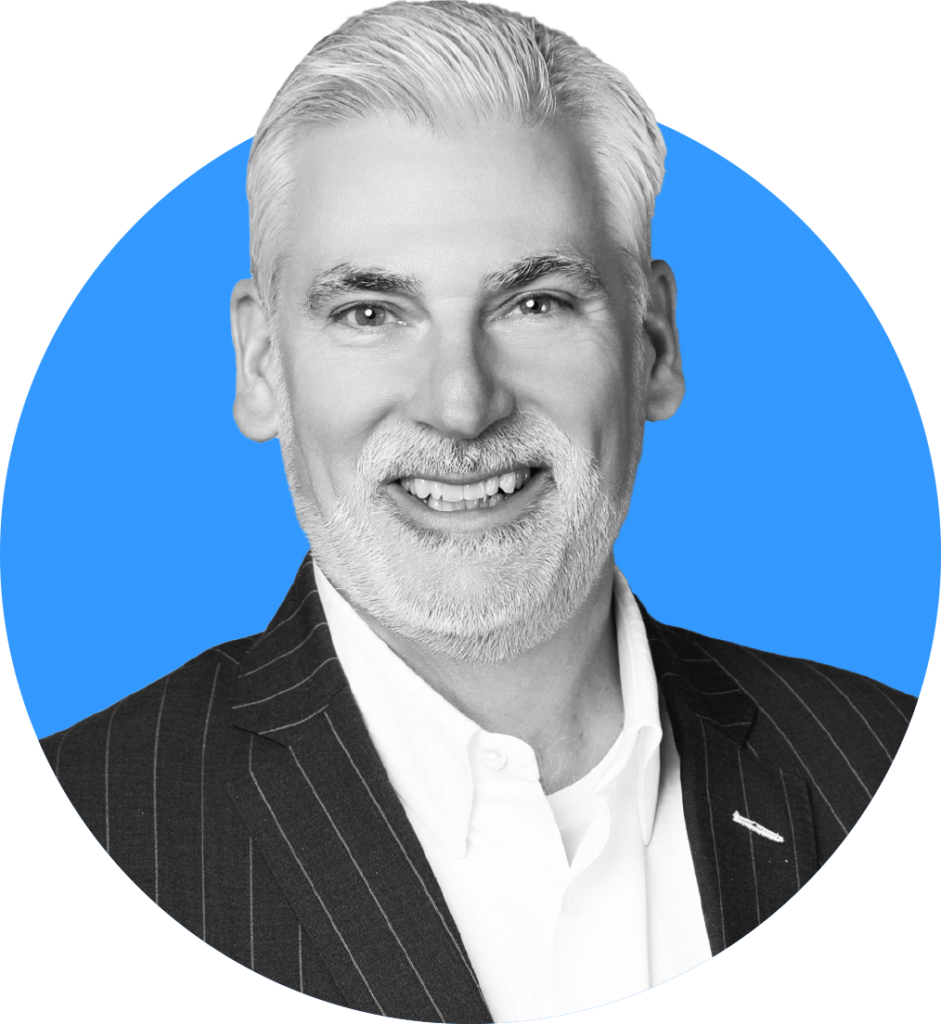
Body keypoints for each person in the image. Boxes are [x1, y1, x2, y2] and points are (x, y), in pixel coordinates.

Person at [38, 2, 917, 1020]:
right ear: (261, 364)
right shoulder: (105, 811)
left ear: (654, 345)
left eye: (535, 303)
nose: (460, 405)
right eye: (370, 312)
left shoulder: (867, 757)